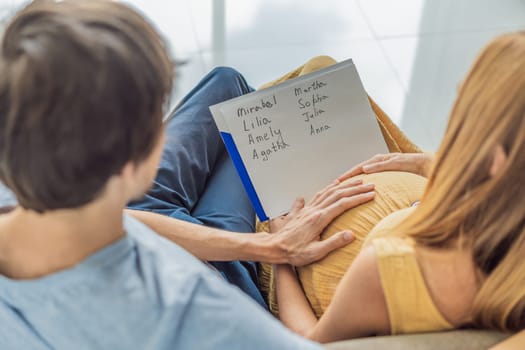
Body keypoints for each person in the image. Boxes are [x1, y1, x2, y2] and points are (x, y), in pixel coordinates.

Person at [0, 1, 377, 348]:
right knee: (239, 106)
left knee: (228, 85)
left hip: (152, 221)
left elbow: (123, 220)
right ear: (143, 153)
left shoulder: (53, 212)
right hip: (223, 275)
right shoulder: (208, 314)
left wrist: (266, 246)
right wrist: (279, 261)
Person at [272, 31, 525, 342]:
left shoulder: (388, 270)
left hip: (301, 249)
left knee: (284, 85)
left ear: (495, 159)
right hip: (430, 188)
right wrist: (424, 164)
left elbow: (307, 341)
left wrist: (280, 254)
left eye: (465, 111)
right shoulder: (504, 219)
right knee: (319, 70)